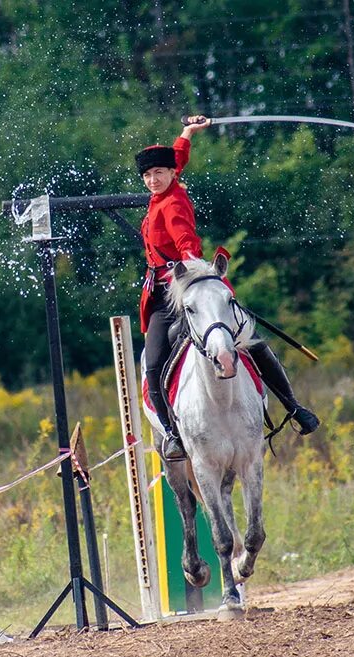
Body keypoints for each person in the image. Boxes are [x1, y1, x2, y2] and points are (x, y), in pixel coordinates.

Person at [136, 115, 321, 462]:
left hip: (184, 289)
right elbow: (178, 156)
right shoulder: (165, 190)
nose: (152, 180)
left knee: (162, 363)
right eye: (147, 176)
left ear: (171, 173)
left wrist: (195, 274)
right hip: (164, 291)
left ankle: (292, 408)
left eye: (158, 173)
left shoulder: (173, 203)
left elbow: (186, 242)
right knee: (166, 359)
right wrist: (188, 132)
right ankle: (176, 432)